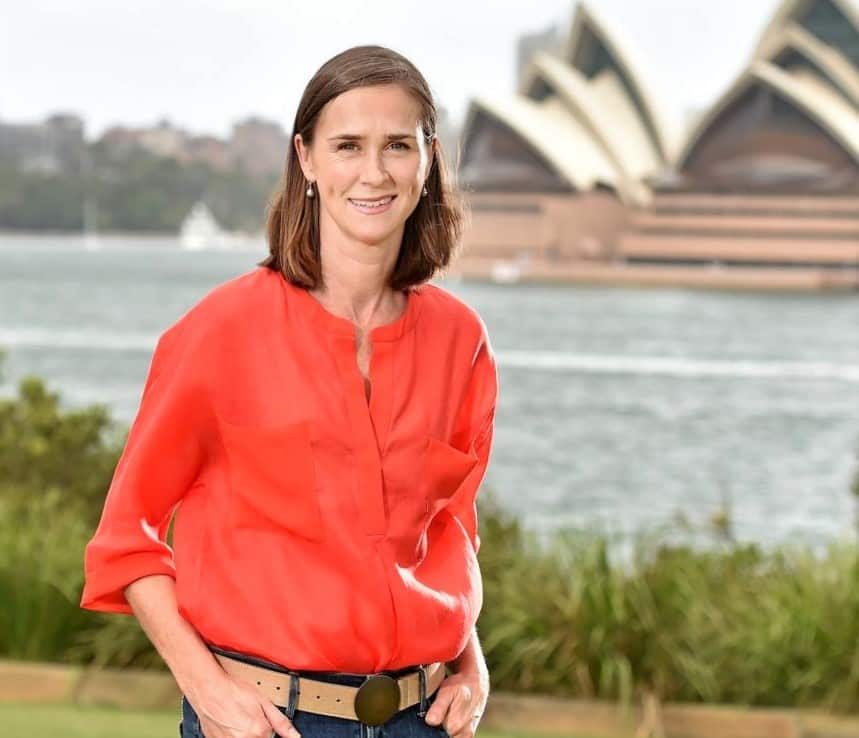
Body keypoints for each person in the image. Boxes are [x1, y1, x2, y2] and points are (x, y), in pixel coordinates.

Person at [80, 44, 499, 738]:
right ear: (305, 159)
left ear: (428, 160)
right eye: (347, 146)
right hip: (267, 723)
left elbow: (449, 531)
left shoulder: (461, 340)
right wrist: (207, 690)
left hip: (424, 722)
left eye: (397, 145)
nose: (373, 172)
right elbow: (128, 539)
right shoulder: (223, 330)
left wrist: (471, 666)